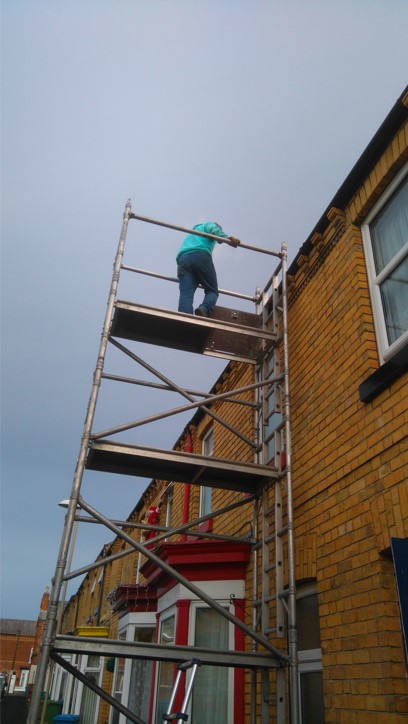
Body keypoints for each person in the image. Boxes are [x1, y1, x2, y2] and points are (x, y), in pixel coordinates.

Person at [176, 222, 240, 317]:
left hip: (183, 260)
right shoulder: (207, 225)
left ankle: (184, 317)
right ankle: (204, 309)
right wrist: (226, 238)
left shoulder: (193, 232)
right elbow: (213, 229)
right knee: (212, 291)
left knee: (186, 293)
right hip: (200, 255)